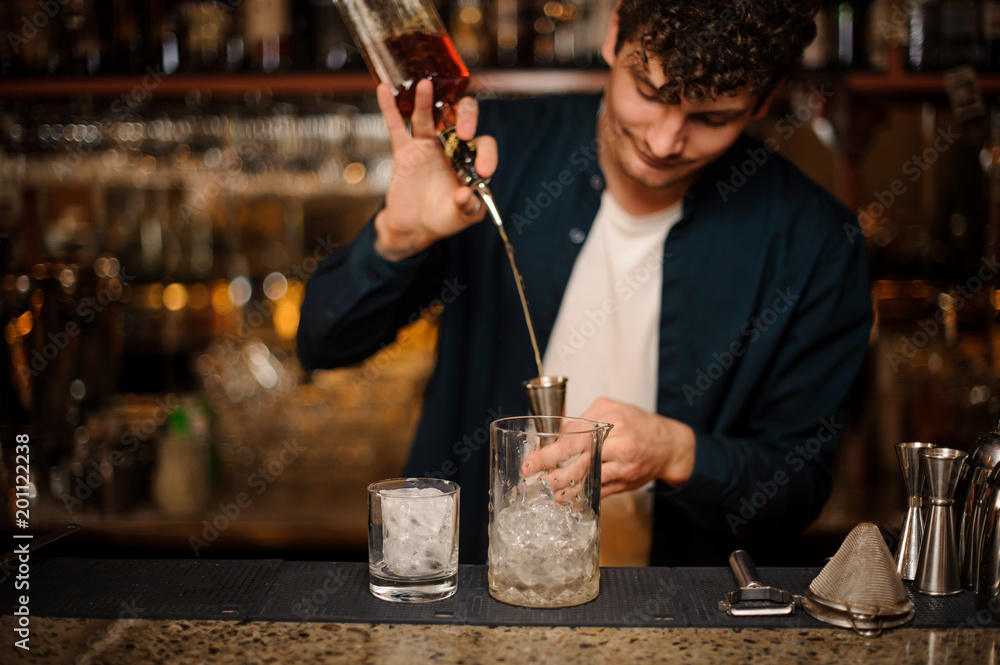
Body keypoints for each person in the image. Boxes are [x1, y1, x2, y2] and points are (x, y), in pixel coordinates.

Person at [297, 0, 873, 566]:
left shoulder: (815, 240)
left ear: (765, 99)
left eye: (712, 118)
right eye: (650, 93)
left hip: (672, 627)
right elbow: (323, 344)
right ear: (614, 32)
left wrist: (681, 453)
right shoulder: (497, 153)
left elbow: (797, 493)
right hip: (472, 602)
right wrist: (396, 238)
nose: (665, 141)